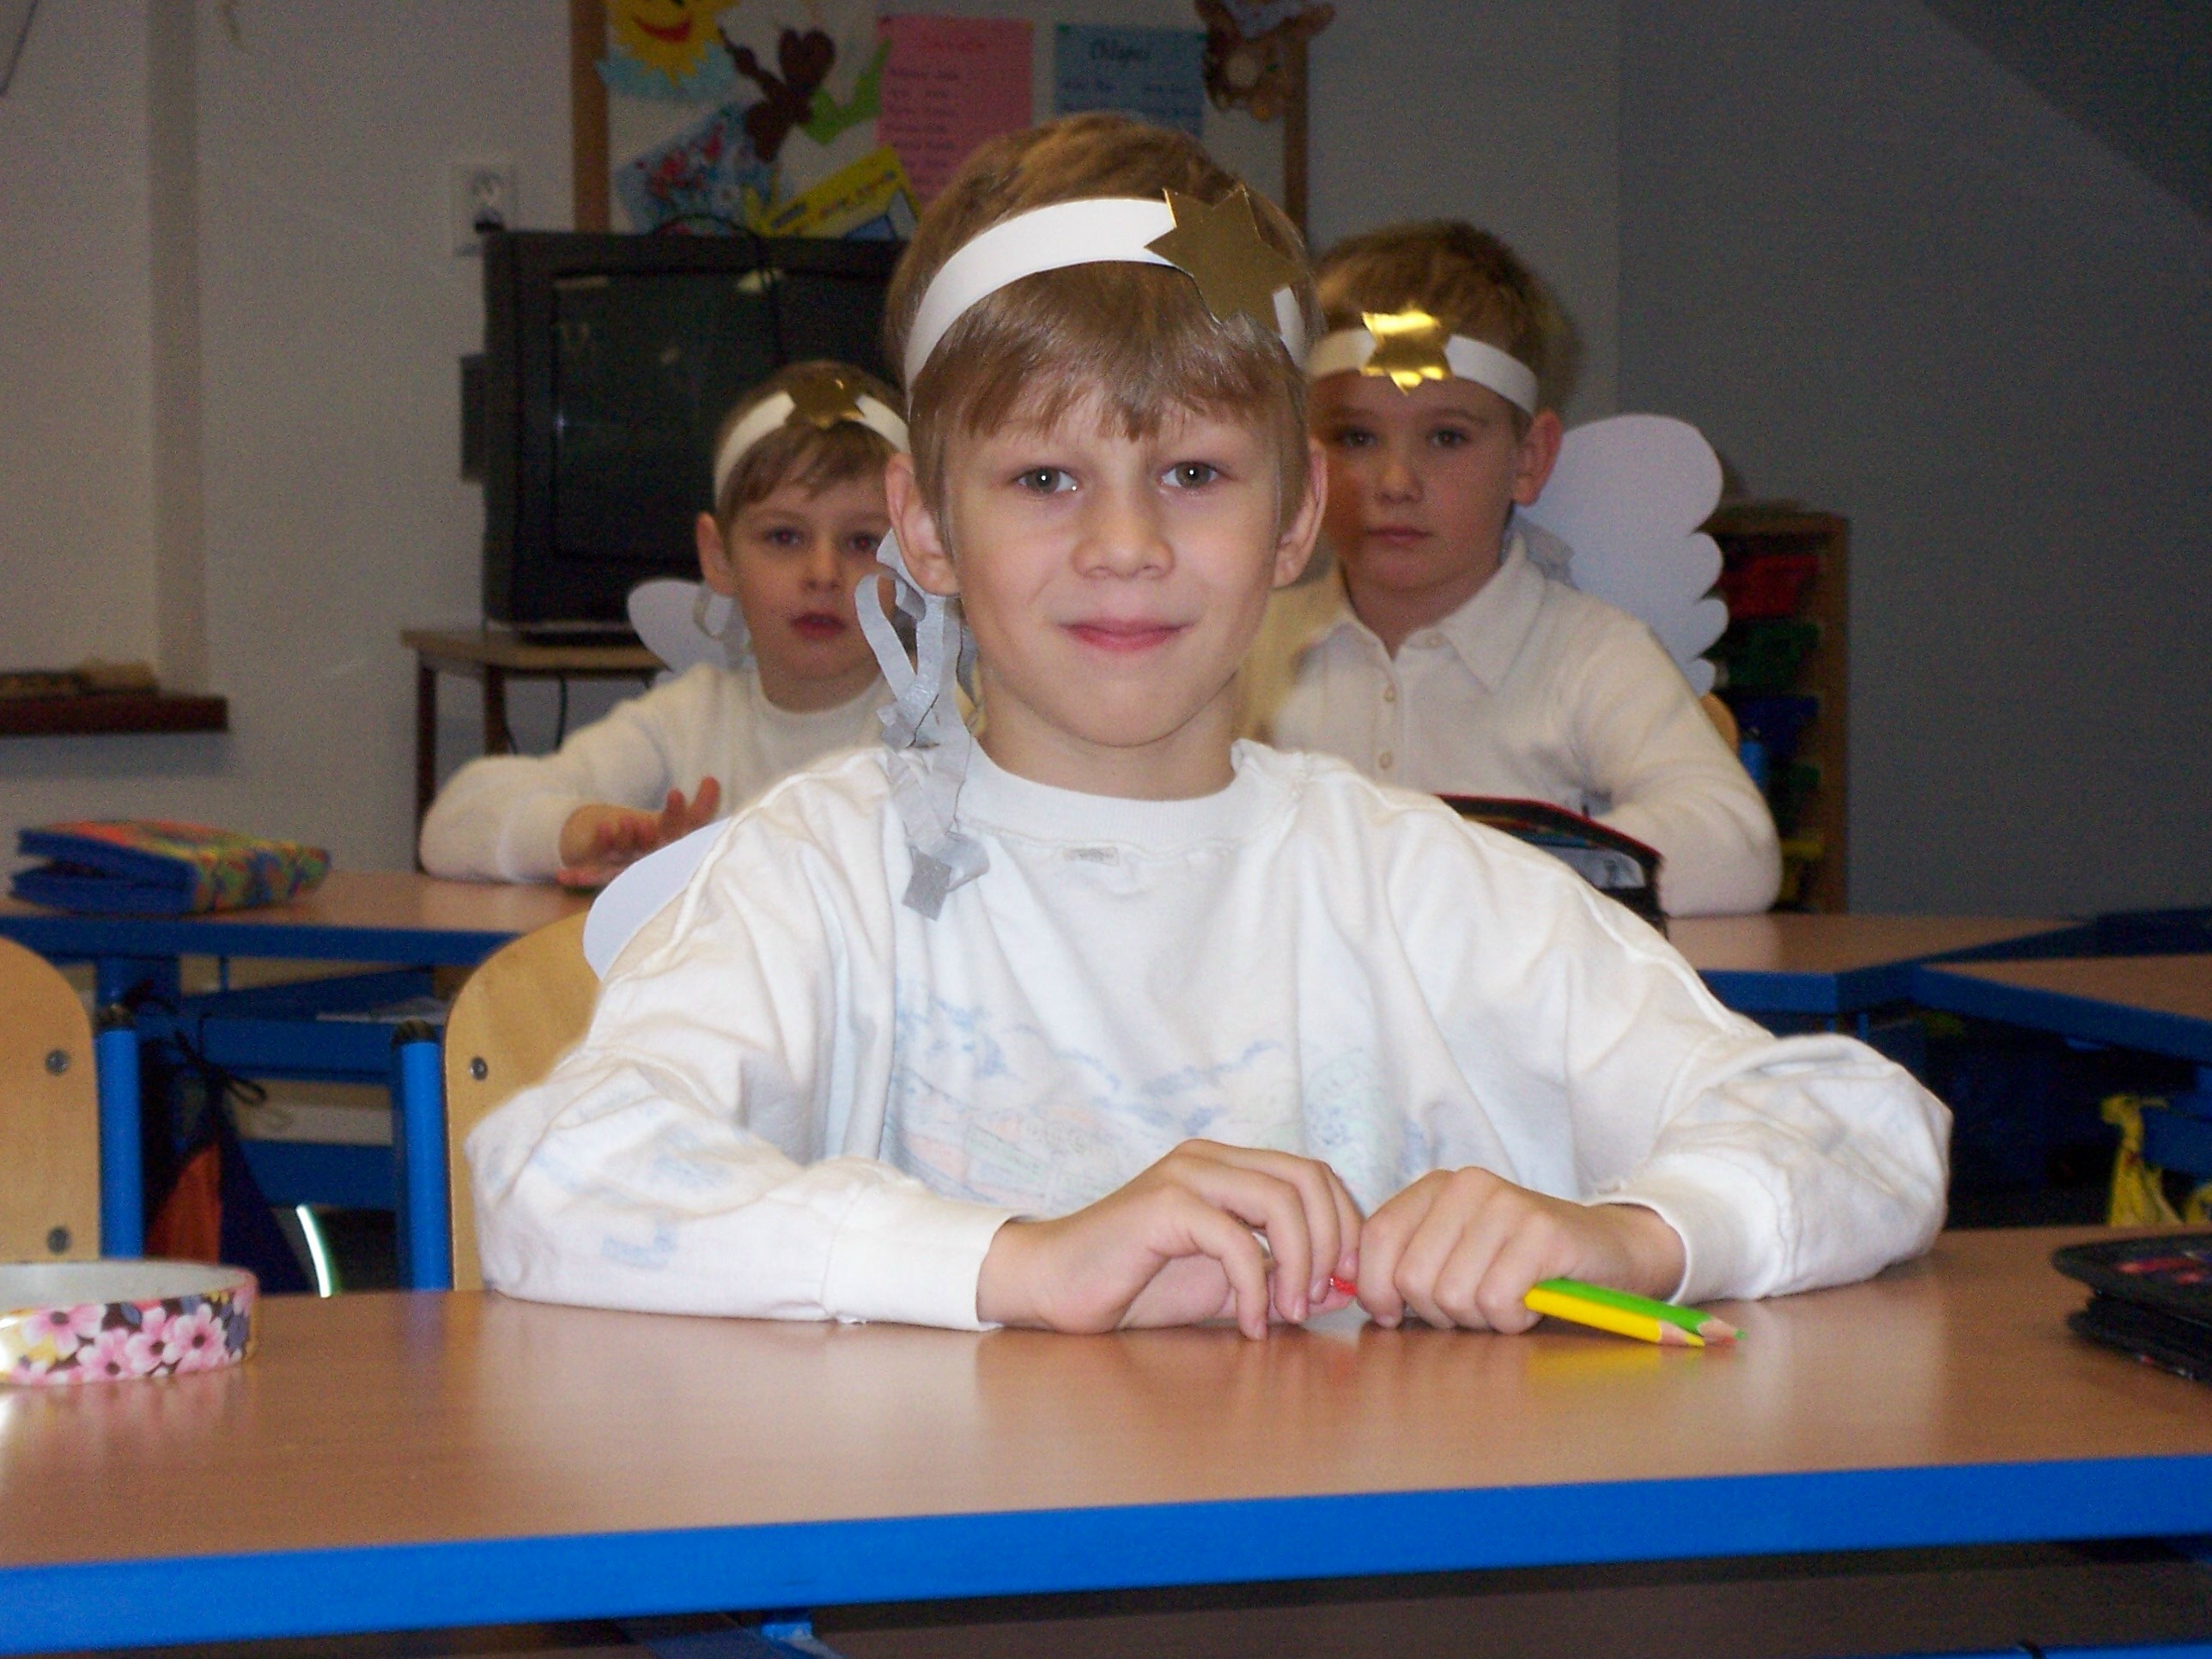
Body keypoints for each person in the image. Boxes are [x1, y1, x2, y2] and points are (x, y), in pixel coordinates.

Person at [468, 115, 1946, 1338]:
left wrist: (1630, 1232)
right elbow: (553, 1175)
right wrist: (1019, 1262)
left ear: (1298, 514)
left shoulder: (1415, 885)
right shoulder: (819, 877)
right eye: (1044, 479)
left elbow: (1863, 1127)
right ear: (924, 527)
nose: (1124, 545)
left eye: (1192, 473)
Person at [1240, 222, 1781, 917]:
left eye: (1446, 437)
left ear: (1528, 459)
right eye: (1357, 436)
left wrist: (1466, 876)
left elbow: (1736, 849)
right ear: (1303, 454)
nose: (1396, 482)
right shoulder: (1244, 641)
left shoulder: (1589, 654)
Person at [418, 361, 904, 885]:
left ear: (918, 557)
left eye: (863, 542)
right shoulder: (686, 719)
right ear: (718, 557)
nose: (823, 574)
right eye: (784, 537)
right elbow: (454, 823)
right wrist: (593, 833)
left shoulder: (946, 722)